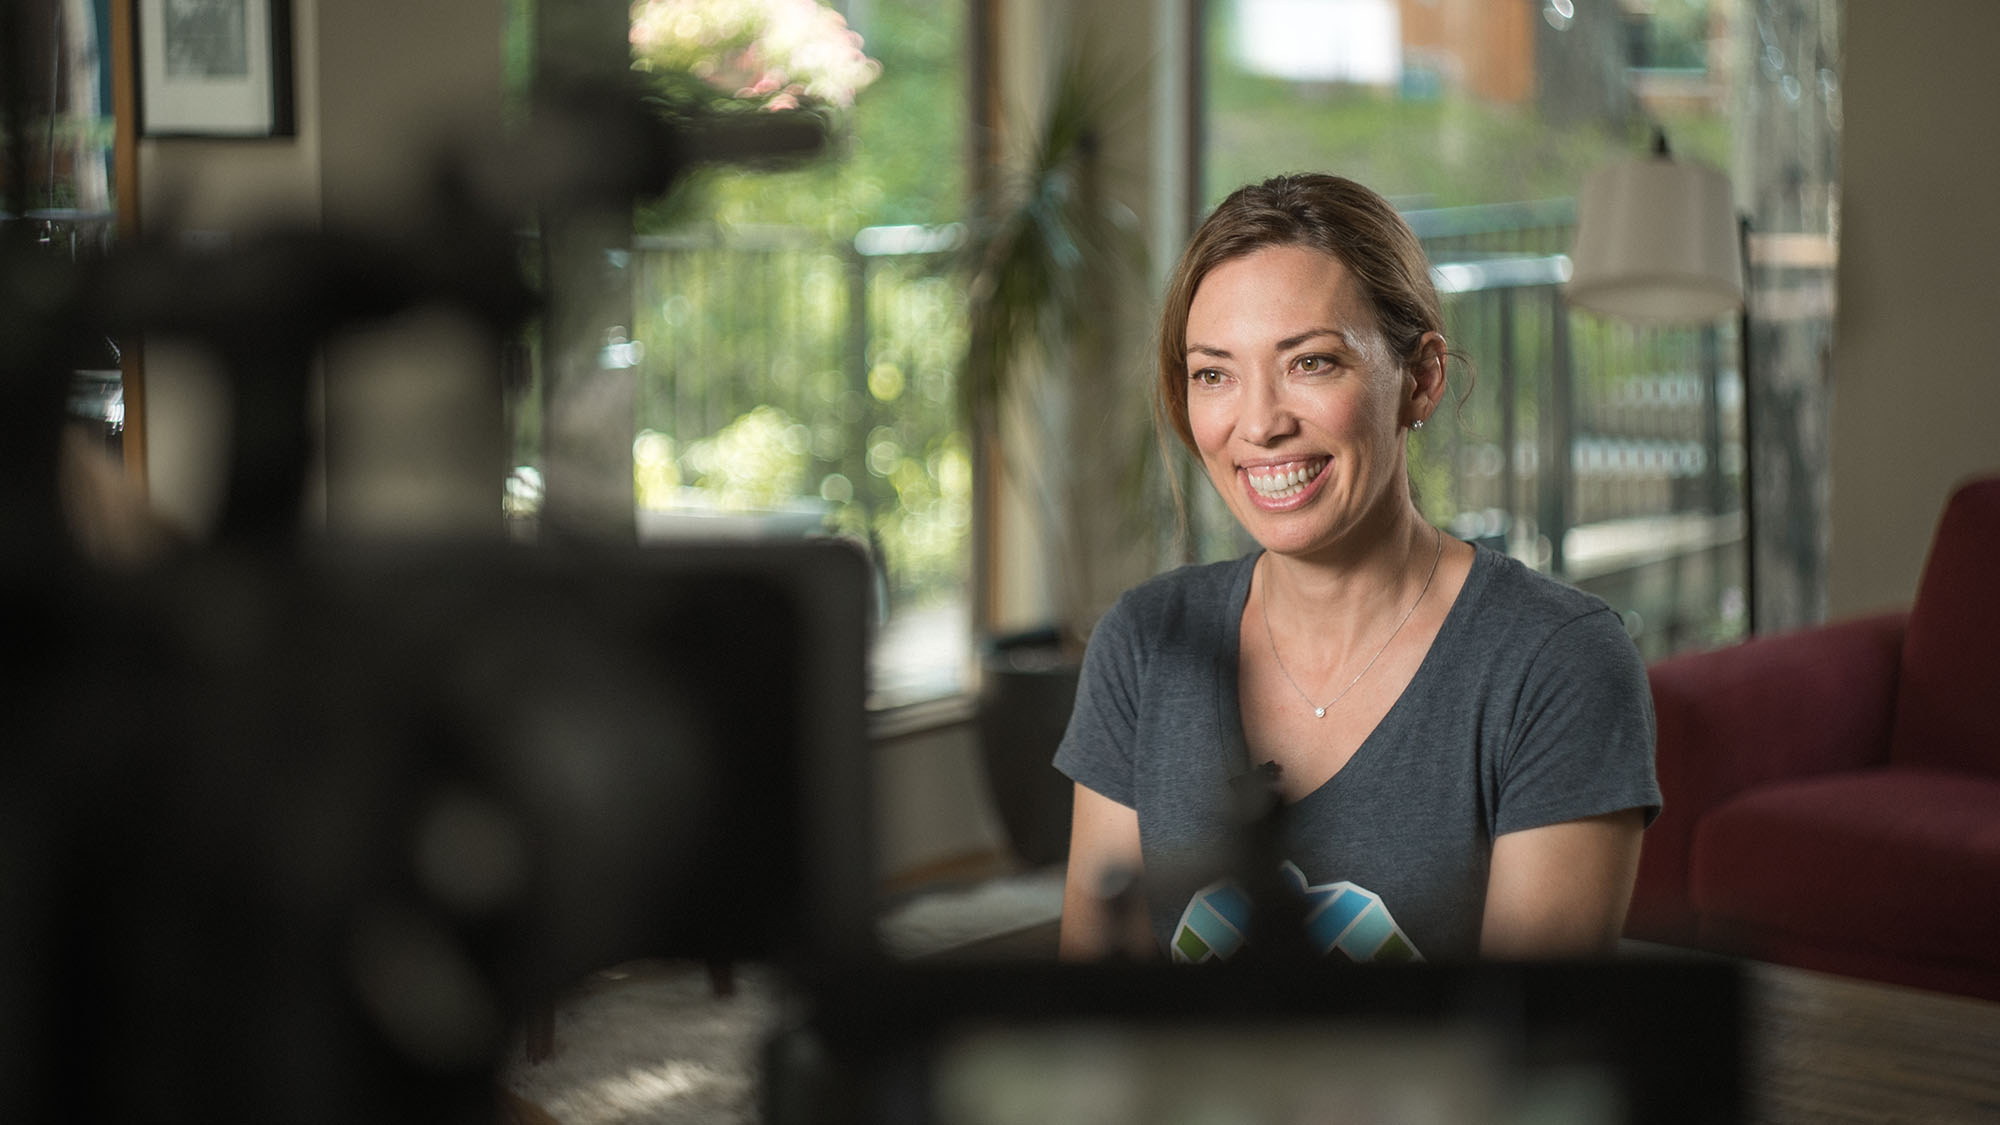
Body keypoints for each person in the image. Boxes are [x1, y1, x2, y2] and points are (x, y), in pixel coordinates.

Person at [1054, 173, 1660, 964]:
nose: (1261, 422)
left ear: (1422, 378)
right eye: (1214, 373)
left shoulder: (1555, 663)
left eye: (1310, 363)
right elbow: (1093, 1020)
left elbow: (1528, 1053)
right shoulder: (1145, 642)